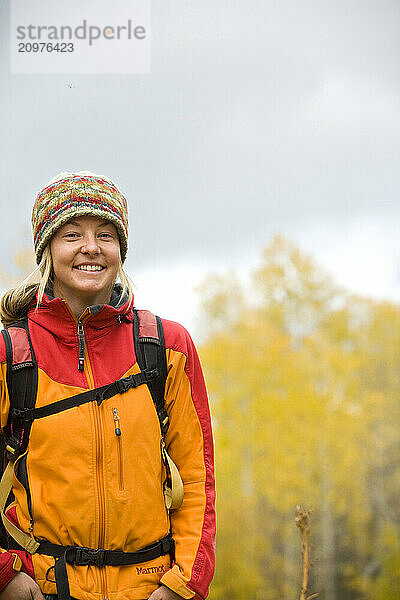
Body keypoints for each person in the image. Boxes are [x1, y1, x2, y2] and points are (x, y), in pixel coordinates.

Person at [0, 172, 216, 600]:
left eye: (105, 234)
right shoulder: (10, 353)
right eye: (72, 234)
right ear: (46, 250)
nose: (91, 248)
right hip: (42, 587)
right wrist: (4, 575)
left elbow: (197, 479)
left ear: (121, 250)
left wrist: (182, 586)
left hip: (151, 589)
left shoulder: (166, 346)